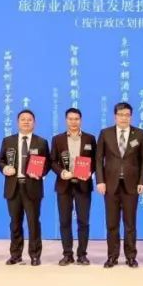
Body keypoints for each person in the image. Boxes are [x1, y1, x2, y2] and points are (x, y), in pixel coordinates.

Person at [95, 101, 143, 268]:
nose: (123, 118)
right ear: (115, 116)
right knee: (112, 224)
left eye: (127, 115)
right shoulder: (105, 133)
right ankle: (112, 256)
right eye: (120, 115)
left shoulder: (139, 134)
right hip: (110, 185)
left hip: (132, 185)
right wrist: (100, 181)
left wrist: (142, 181)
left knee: (130, 224)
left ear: (131, 116)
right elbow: (98, 159)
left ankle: (131, 256)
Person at [0, 109, 50, 266]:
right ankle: (15, 255)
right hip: (13, 187)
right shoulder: (8, 141)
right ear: (17, 122)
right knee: (15, 222)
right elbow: (0, 160)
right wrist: (4, 168)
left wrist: (40, 172)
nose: (26, 122)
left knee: (33, 222)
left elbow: (48, 163)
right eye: (23, 119)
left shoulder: (41, 142)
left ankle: (35, 255)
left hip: (33, 187)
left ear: (34, 123)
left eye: (29, 119)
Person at [50, 107, 95, 266]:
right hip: (64, 185)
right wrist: (62, 172)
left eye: (76, 119)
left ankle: (82, 254)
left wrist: (90, 172)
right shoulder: (57, 139)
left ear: (80, 120)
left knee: (83, 221)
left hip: (83, 185)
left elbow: (95, 160)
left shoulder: (90, 138)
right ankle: (67, 254)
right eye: (70, 119)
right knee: (64, 221)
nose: (73, 122)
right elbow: (52, 161)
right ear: (66, 120)